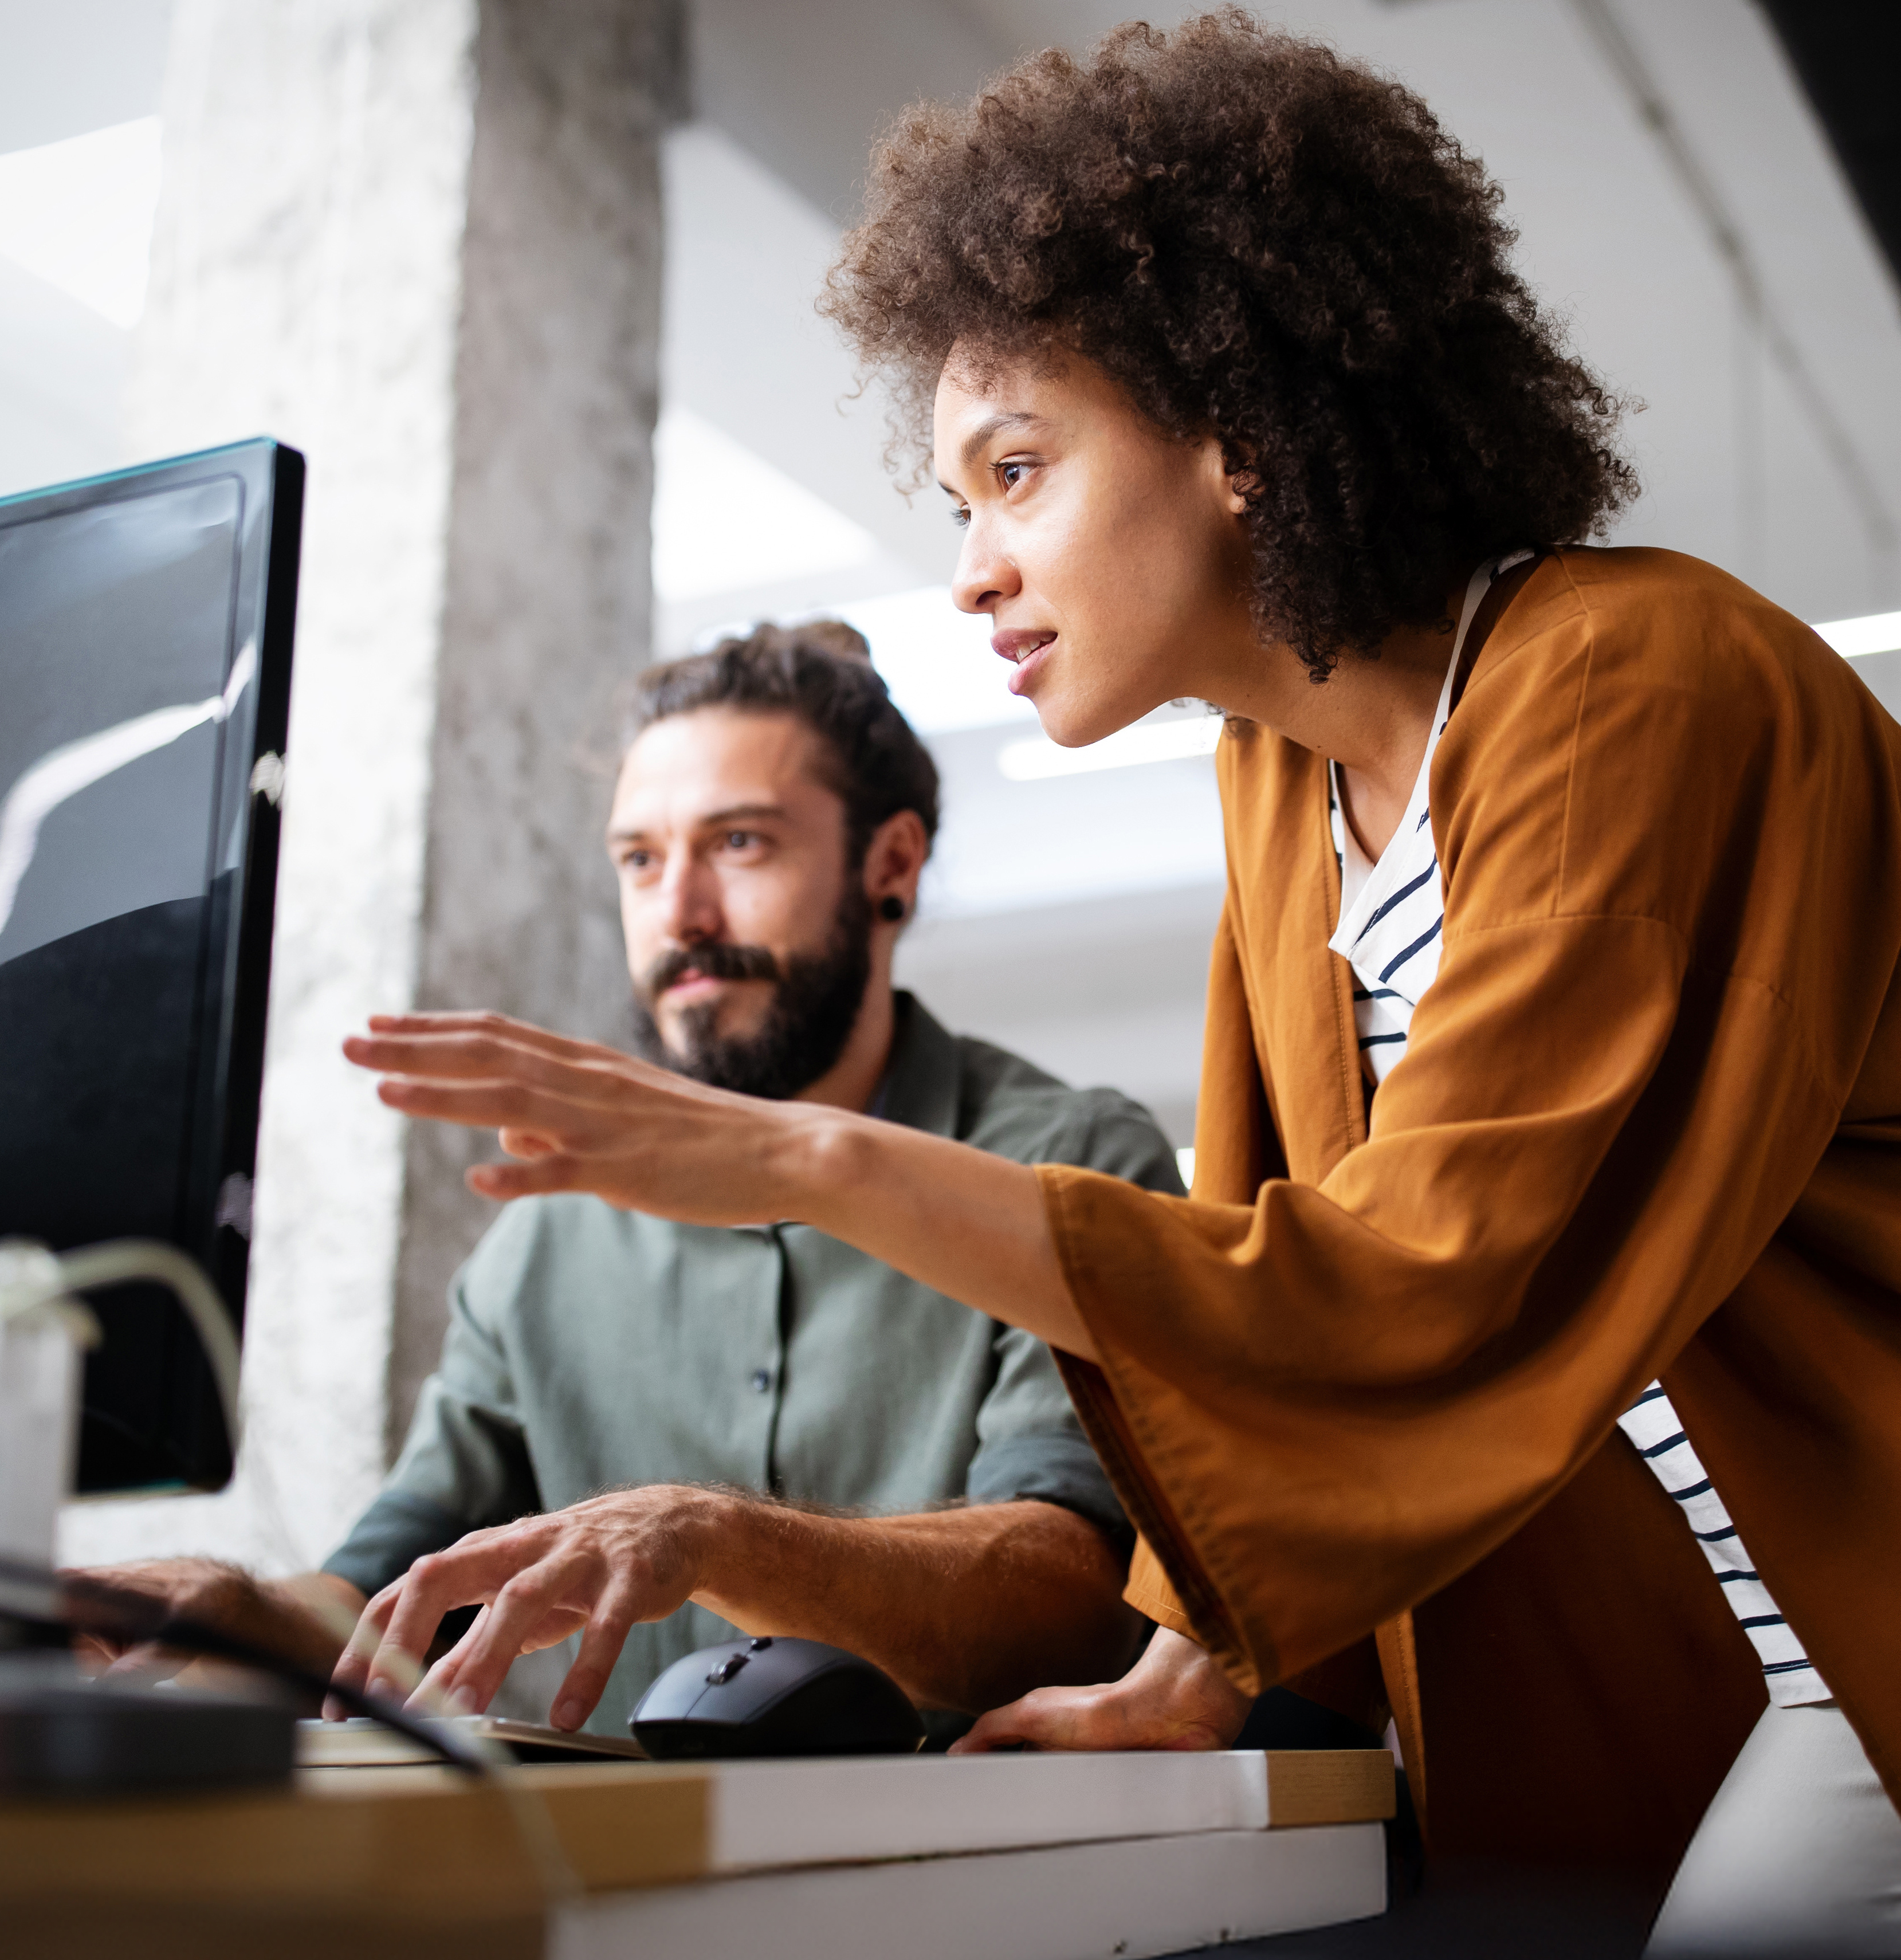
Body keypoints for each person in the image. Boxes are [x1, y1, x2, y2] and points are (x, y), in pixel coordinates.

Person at [347, 14, 1901, 1960]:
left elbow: (1411, 1280)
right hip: (1885, 1587)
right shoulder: (1286, 790)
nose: (971, 558)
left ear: (1236, 430)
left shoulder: (1634, 682)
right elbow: (1275, 1287)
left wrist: (799, 1161)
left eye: (1015, 467)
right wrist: (1184, 1675)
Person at [80, 620, 1176, 1737]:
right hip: (597, 1876)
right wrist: (235, 1614)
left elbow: (1072, 1602)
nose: (680, 915)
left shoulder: (1068, 1165)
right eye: (640, 860)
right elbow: (386, 1590)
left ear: (889, 863)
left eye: (739, 844)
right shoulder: (544, 1233)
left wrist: (715, 1537)